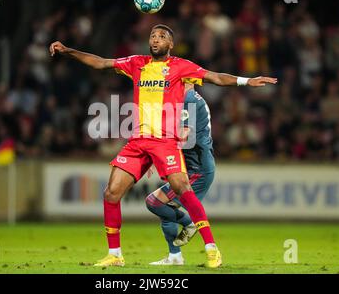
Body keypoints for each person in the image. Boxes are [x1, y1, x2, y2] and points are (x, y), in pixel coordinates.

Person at [49, 24, 277, 268]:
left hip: (164, 142)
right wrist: (68, 51)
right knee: (111, 193)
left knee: (182, 188)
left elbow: (216, 77)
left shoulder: (182, 67)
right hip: (138, 142)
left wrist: (246, 81)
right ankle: (115, 255)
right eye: (153, 36)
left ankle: (212, 249)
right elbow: (101, 62)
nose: (156, 39)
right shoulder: (136, 63)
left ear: (171, 44)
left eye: (162, 37)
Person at [146, 84, 215, 265]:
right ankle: (175, 256)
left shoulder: (188, 99)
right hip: (193, 166)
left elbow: (184, 135)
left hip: (197, 170)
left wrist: (158, 155)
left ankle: (190, 223)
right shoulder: (189, 98)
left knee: (155, 202)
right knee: (165, 208)